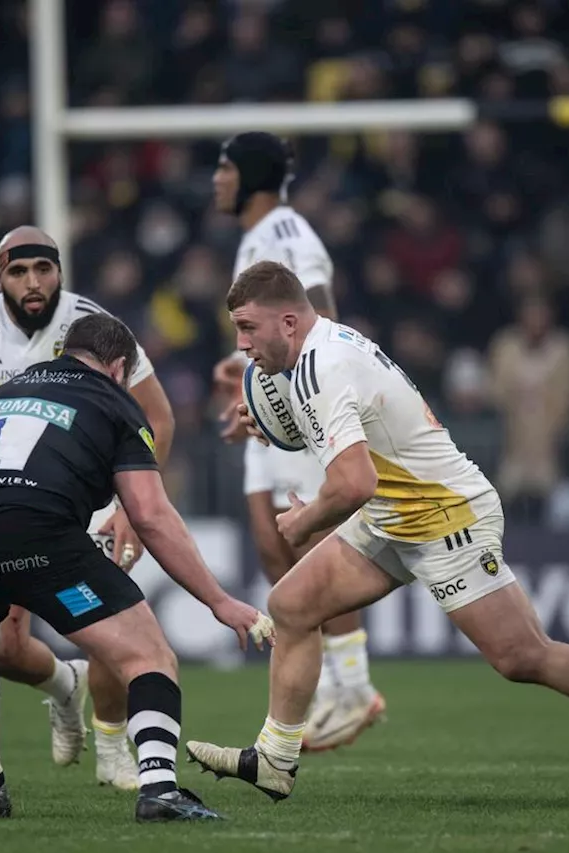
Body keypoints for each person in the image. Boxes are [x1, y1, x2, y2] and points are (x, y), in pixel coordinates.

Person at [186, 260, 569, 805]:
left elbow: (353, 482)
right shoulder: (319, 351)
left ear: (289, 323)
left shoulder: (321, 365)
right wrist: (274, 426)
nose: (241, 344)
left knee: (522, 656)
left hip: (444, 516)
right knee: (292, 605)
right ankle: (274, 758)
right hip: (397, 514)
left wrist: (304, 520)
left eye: (248, 328)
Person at [0, 313, 273, 821]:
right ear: (119, 367)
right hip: (35, 537)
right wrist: (219, 600)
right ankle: (159, 791)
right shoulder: (114, 401)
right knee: (148, 657)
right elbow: (150, 515)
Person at [0, 226, 176, 791]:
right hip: (1, 505)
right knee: (5, 651)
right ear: (0, 276)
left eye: (44, 270)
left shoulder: (97, 330)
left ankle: (112, 750)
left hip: (85, 503)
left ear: (59, 270)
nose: (34, 283)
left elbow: (158, 415)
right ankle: (64, 686)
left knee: (110, 624)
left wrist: (131, 507)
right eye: (19, 272)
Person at [209, 131, 385, 751]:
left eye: (225, 168)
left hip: (301, 404)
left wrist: (296, 401)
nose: (216, 179)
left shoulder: (283, 234)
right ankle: (336, 683)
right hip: (273, 400)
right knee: (271, 545)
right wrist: (243, 383)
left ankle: (352, 687)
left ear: (252, 175)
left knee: (314, 542)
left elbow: (316, 312)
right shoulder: (260, 237)